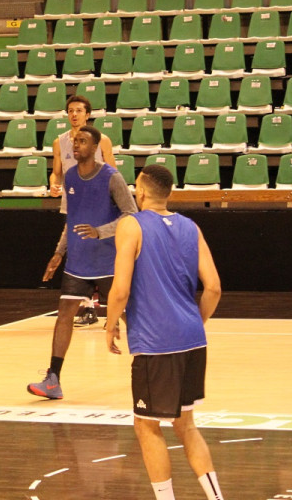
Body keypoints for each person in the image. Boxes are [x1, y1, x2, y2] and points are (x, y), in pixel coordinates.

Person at [106, 165, 225, 500]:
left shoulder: (131, 225)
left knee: (146, 425)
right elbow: (213, 288)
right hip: (193, 340)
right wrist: (195, 322)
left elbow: (120, 291)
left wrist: (109, 324)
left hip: (156, 344)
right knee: (186, 424)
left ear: (141, 192)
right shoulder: (191, 226)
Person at [28, 125, 136, 400]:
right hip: (78, 261)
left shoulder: (111, 177)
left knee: (129, 315)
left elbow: (131, 214)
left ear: (95, 147)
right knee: (64, 314)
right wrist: (59, 252)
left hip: (108, 261)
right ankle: (53, 379)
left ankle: (149, 365)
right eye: (75, 141)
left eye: (83, 141)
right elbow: (72, 219)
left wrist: (101, 231)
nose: (76, 145)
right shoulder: (71, 176)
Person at [49, 95, 116, 327]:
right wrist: (53, 185)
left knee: (102, 254)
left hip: (99, 205)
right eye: (70, 110)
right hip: (74, 203)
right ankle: (88, 308)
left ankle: (114, 311)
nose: (74, 114)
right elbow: (56, 172)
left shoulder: (102, 140)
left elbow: (113, 171)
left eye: (78, 110)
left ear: (87, 114)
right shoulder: (59, 142)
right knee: (78, 254)